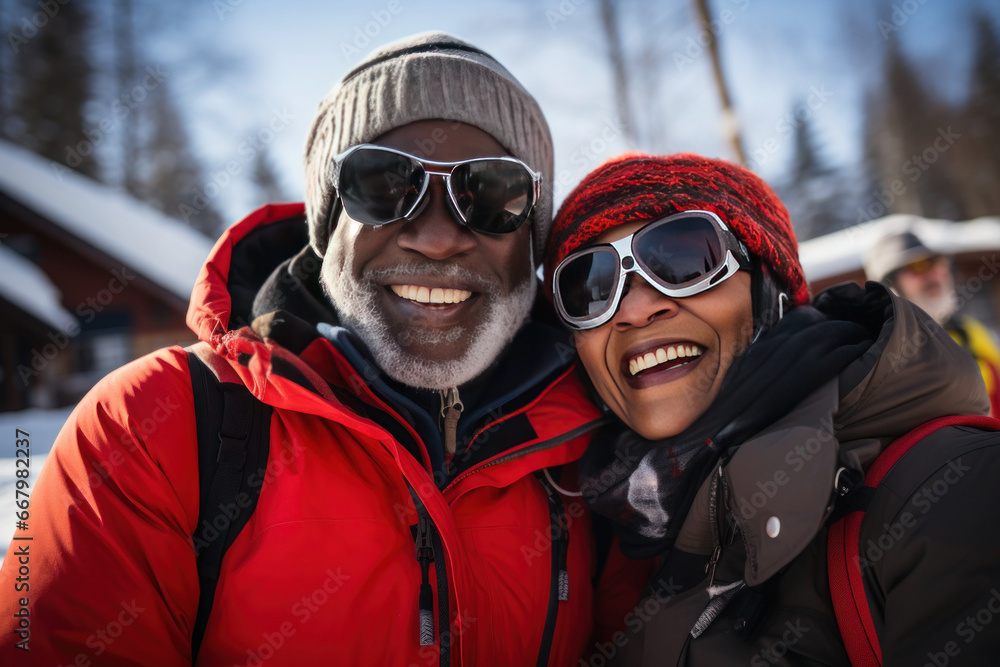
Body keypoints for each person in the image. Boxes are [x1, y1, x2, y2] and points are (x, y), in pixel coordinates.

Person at [0, 33, 637, 666]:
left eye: (492, 194)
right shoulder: (151, 427)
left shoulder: (603, 448)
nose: (439, 238)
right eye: (385, 184)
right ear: (328, 223)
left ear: (531, 238)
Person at [543, 153, 1000, 665]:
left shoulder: (952, 489)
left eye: (684, 258)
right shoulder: (615, 543)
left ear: (772, 290)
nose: (636, 309)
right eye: (590, 286)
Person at [864, 228, 1000, 417]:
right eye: (918, 266)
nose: (934, 273)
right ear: (890, 288)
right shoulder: (882, 357)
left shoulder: (971, 332)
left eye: (937, 262)